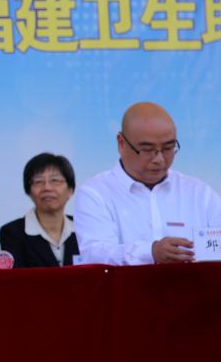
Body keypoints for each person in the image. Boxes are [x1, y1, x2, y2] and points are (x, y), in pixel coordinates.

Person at [73, 101, 221, 265]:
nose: (159, 159)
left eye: (168, 148)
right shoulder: (96, 194)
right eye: (147, 150)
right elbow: (95, 254)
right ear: (121, 143)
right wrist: (150, 252)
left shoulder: (199, 193)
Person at [0, 153, 80, 268]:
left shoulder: (84, 228)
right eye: (38, 181)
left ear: (70, 190)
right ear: (29, 192)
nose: (47, 188)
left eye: (55, 180)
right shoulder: (12, 232)